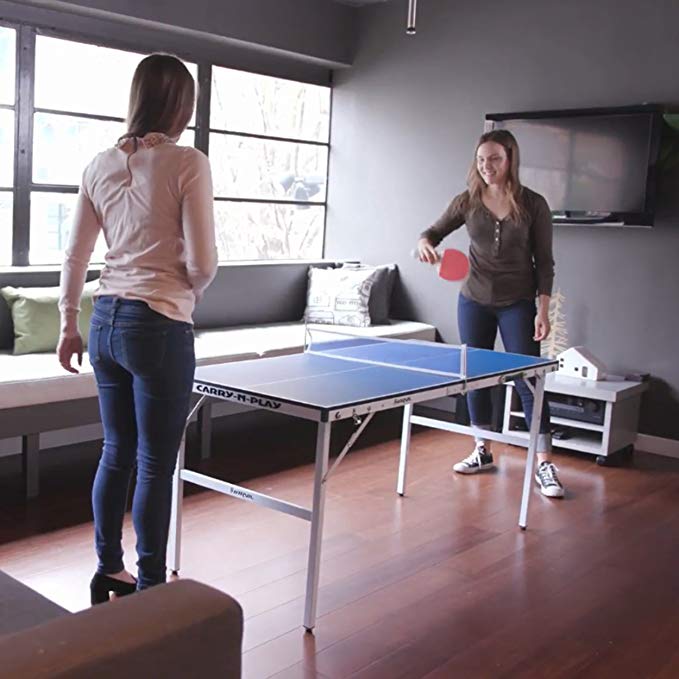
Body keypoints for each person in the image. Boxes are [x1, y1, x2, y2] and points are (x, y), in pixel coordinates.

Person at [57, 54, 218, 603]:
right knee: (155, 460)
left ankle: (110, 568)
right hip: (158, 324)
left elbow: (76, 257)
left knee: (116, 450)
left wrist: (66, 326)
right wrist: (188, 294)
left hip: (103, 321)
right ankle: (151, 586)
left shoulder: (99, 164)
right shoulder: (188, 163)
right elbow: (204, 261)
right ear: (183, 105)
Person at [417, 129, 564, 498]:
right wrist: (425, 244)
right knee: (474, 376)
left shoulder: (534, 204)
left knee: (528, 379)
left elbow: (544, 264)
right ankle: (482, 449)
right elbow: (432, 232)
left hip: (517, 303)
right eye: (482, 160)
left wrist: (542, 310)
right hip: (473, 301)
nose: (487, 166)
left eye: (495, 159)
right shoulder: (466, 201)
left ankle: (544, 462)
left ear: (510, 159)